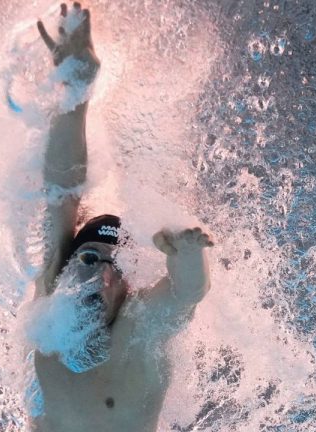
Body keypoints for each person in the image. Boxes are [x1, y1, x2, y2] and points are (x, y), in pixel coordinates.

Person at [29, 3, 213, 431]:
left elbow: (186, 293)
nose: (101, 278)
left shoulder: (138, 331)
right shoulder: (52, 297)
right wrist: (74, 95)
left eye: (110, 265)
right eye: (91, 259)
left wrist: (186, 254)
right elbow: (60, 195)